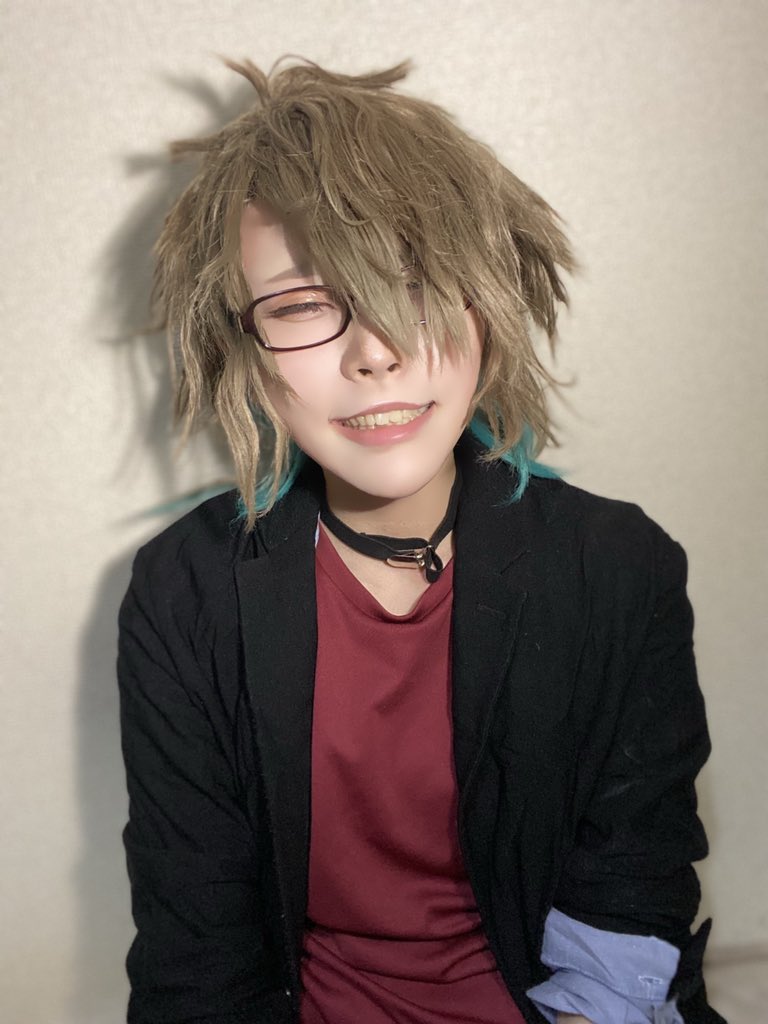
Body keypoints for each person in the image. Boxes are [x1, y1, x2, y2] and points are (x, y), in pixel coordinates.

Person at [117, 58, 725, 1024]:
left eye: (417, 282)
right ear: (242, 351)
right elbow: (197, 947)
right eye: (303, 306)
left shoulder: (617, 568)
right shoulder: (184, 591)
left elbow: (633, 878)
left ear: (490, 304)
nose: (375, 353)